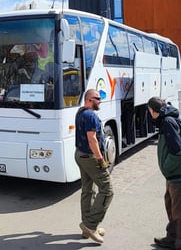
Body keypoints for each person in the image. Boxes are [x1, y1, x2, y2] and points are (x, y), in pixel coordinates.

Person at [147, 97, 181, 250]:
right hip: (172, 174)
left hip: (177, 173)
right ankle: (172, 237)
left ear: (153, 111)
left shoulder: (167, 123)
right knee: (172, 207)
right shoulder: (166, 121)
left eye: (149, 111)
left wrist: (166, 168)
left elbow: (178, 152)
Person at [74, 88, 113, 245]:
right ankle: (90, 225)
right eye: (97, 98)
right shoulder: (90, 115)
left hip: (80, 155)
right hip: (90, 157)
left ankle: (87, 228)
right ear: (89, 99)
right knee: (107, 190)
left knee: (88, 190)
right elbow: (92, 140)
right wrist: (100, 159)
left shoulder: (81, 112)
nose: (100, 101)